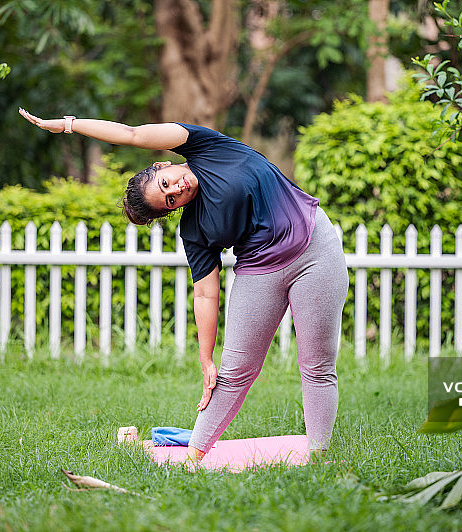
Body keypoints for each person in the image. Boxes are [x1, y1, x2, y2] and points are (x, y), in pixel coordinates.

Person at [19, 109, 349, 463]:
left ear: (163, 166)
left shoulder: (207, 147)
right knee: (233, 370)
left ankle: (320, 460)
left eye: (167, 185)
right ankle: (193, 458)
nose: (177, 190)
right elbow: (206, 293)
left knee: (316, 365)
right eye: (170, 201)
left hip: (314, 248)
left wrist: (69, 125)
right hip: (260, 269)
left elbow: (131, 133)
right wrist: (206, 359)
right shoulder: (195, 230)